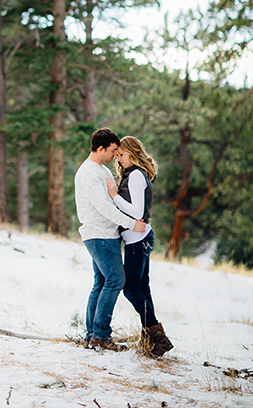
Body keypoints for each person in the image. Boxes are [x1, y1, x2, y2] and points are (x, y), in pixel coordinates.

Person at [74, 127, 146, 352]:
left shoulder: (100, 169)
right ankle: (101, 336)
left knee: (102, 283)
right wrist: (132, 223)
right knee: (116, 280)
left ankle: (92, 335)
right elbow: (104, 207)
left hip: (105, 234)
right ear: (100, 148)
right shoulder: (89, 173)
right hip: (100, 235)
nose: (116, 155)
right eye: (113, 150)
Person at [109, 135, 174, 359]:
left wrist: (114, 196)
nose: (118, 159)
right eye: (117, 155)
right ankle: (153, 341)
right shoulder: (134, 174)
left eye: (122, 155)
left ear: (133, 153)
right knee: (142, 289)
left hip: (138, 242)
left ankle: (159, 338)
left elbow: (136, 212)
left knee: (131, 288)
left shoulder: (136, 175)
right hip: (139, 239)